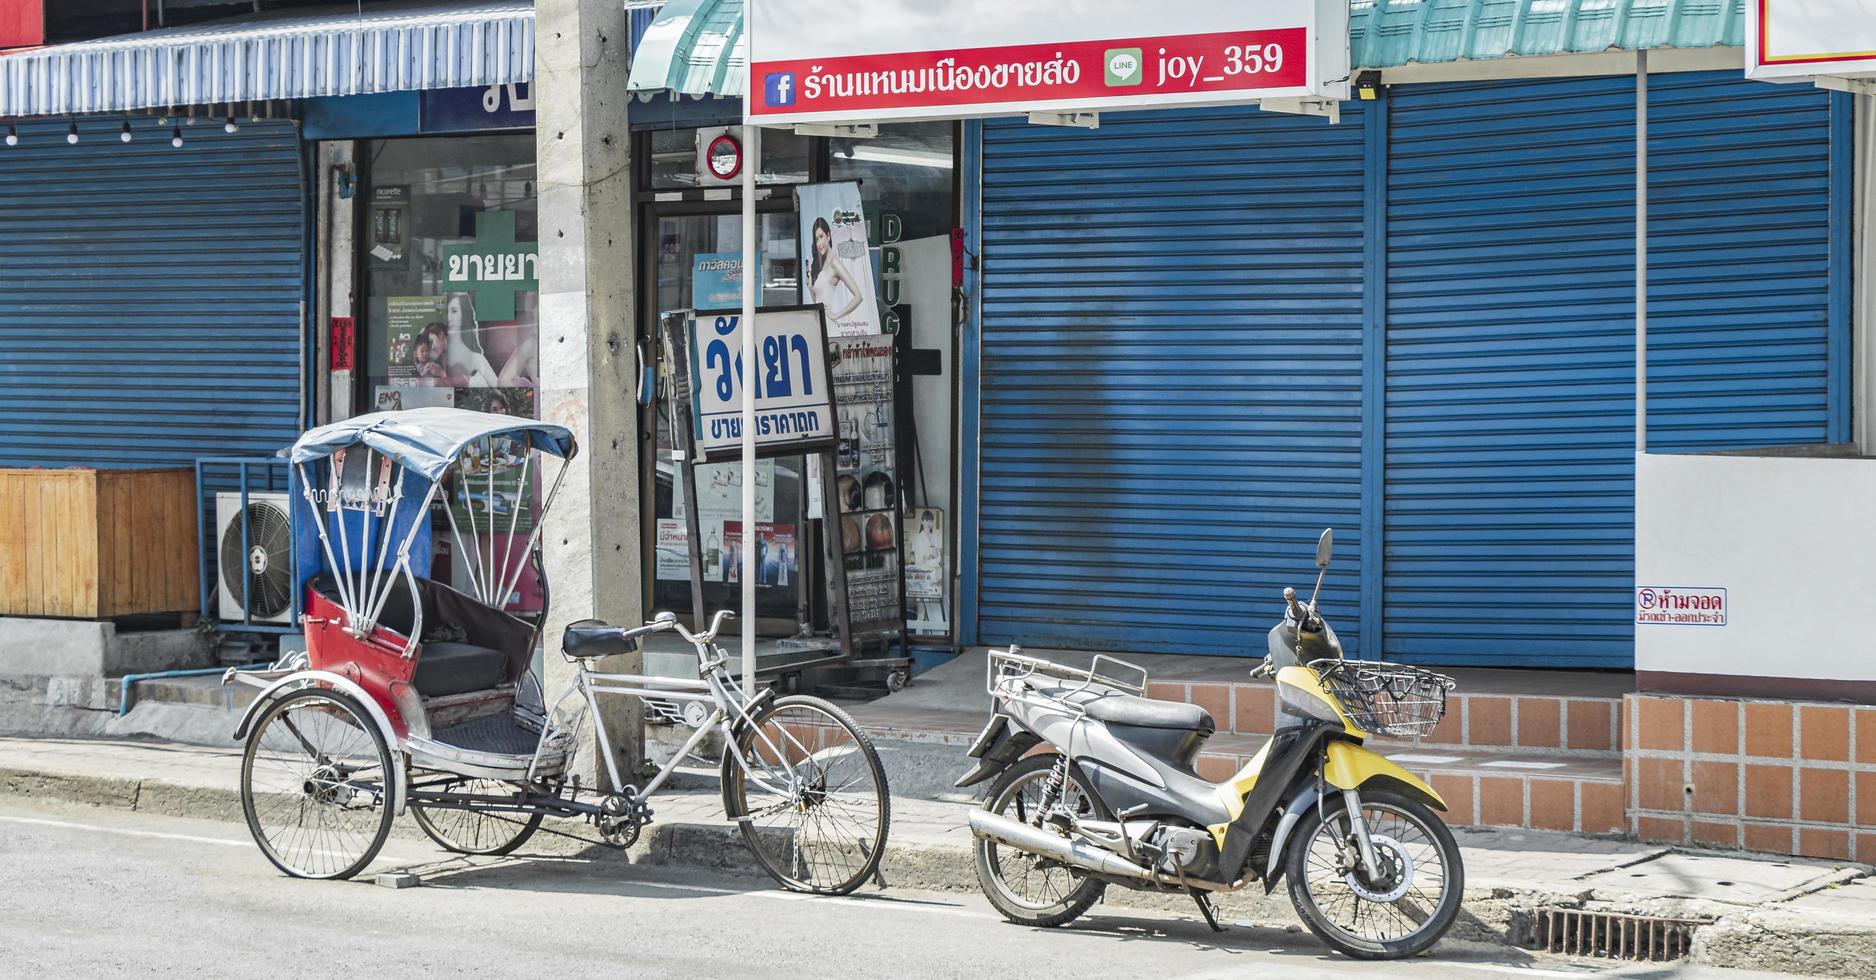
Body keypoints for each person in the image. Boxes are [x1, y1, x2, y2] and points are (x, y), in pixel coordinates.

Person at [809, 216, 864, 321]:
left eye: (821, 236)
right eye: (816, 239)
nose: (819, 243)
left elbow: (858, 297)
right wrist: (810, 287)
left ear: (828, 236)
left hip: (828, 323)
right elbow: (817, 301)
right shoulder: (821, 265)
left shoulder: (834, 263)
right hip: (818, 321)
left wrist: (835, 315)